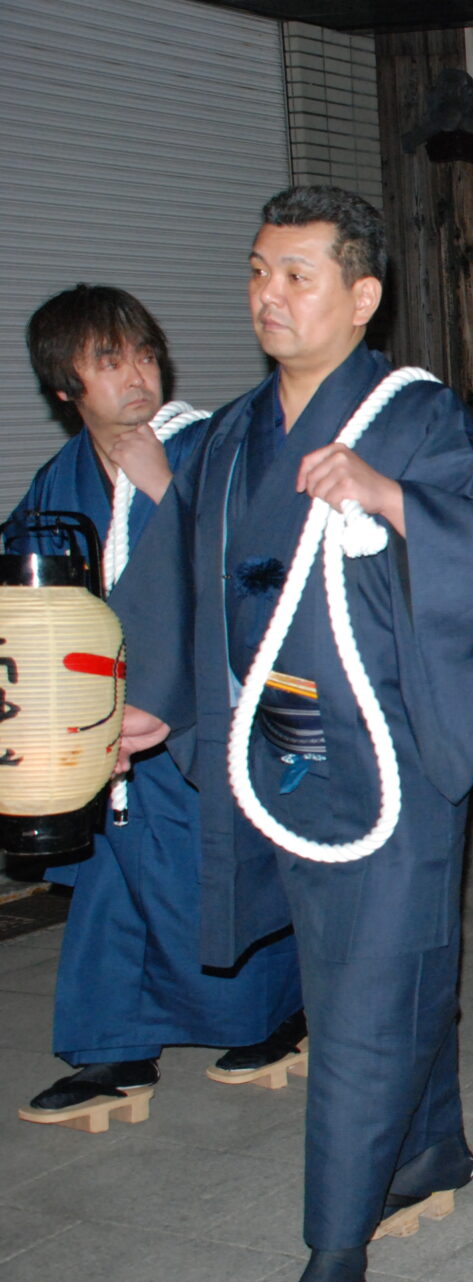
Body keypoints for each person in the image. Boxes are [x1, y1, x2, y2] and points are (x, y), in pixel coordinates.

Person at [112, 186, 473, 1282]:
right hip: (276, 744)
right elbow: (174, 573)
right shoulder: (226, 437)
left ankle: (335, 1240)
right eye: (258, 271)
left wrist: (394, 497)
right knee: (383, 971)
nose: (270, 295)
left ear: (362, 296)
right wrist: (148, 696)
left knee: (362, 991)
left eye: (297, 275)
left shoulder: (414, 416)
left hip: (384, 751)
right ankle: (428, 1152)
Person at [11, 286, 304, 1132]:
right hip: (100, 724)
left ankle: (278, 1016)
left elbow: (261, 561)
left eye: (142, 354)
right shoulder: (59, 480)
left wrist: (167, 488)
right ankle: (115, 1050)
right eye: (109, 363)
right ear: (65, 387)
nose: (137, 377)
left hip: (199, 713)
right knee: (112, 882)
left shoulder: (210, 443)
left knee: (223, 872)